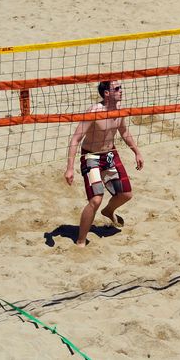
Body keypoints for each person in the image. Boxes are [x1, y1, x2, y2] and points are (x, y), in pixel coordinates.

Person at [64, 80, 144, 246]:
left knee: (126, 194)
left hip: (109, 155)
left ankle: (109, 211)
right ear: (106, 93)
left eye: (120, 87)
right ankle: (80, 241)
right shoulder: (94, 111)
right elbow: (76, 138)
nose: (121, 90)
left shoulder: (120, 109)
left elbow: (124, 131)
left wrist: (137, 152)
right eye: (117, 88)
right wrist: (70, 168)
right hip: (91, 157)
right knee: (96, 200)